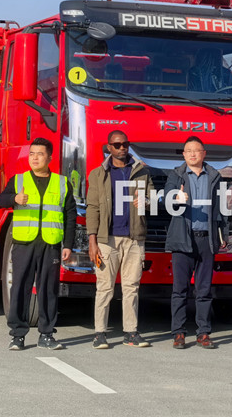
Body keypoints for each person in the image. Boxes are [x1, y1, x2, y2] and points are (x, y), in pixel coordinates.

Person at [0, 137, 76, 351]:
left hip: (50, 243)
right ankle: (17, 335)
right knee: (20, 288)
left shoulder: (62, 183)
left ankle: (47, 334)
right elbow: (0, 200)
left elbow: (70, 214)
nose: (34, 158)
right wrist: (15, 198)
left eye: (39, 154)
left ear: (49, 157)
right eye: (32, 154)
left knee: (48, 290)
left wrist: (67, 244)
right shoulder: (18, 180)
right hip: (24, 243)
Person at [86, 130, 154, 349]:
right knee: (104, 287)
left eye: (125, 144)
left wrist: (145, 200)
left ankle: (131, 333)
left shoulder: (142, 171)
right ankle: (99, 334)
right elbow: (93, 208)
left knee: (131, 287)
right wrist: (92, 241)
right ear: (109, 147)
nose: (122, 148)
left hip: (134, 239)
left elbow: (153, 201)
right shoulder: (98, 174)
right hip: (108, 240)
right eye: (117, 145)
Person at [164, 136, 230, 349]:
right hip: (183, 239)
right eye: (188, 150)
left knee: (204, 290)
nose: (192, 154)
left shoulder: (215, 177)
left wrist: (224, 235)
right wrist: (176, 199)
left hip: (206, 240)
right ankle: (179, 333)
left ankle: (203, 333)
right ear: (184, 155)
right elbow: (166, 201)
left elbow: (222, 210)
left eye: (196, 150)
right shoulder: (176, 175)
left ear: (204, 153)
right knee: (179, 290)